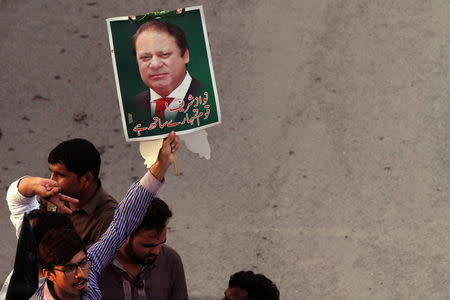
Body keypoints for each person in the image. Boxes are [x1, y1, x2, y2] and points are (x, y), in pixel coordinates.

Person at [30, 131, 179, 300]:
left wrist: (161, 165)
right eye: (69, 269)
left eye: (82, 263)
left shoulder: (91, 267)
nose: (81, 275)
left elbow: (124, 220)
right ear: (48, 274)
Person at [6, 138, 117, 247]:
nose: (52, 181)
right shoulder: (52, 195)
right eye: (52, 172)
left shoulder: (109, 220)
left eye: (60, 175)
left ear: (86, 179)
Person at [99, 197, 188, 299]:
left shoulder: (171, 260)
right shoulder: (91, 263)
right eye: (148, 245)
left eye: (161, 243)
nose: (157, 252)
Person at [127, 20, 204, 124]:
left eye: (164, 54)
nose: (155, 64)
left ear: (185, 55)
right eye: (145, 57)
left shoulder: (208, 97)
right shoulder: (130, 108)